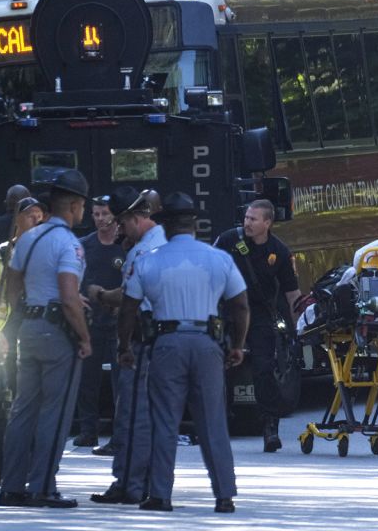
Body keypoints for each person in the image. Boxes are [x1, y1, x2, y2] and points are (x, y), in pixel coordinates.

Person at [118, 192, 249, 513]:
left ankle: (161, 495)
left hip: (166, 344)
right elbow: (241, 305)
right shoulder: (219, 258)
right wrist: (237, 345)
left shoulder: (148, 260)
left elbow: (128, 309)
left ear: (165, 225)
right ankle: (224, 495)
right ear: (194, 224)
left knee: (165, 421)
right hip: (207, 344)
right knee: (213, 420)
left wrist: (124, 346)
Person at [0, 169, 93, 509]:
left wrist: (28, 305)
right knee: (55, 411)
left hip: (29, 328)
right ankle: (42, 487)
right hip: (57, 334)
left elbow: (10, 284)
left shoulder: (28, 238)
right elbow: (69, 296)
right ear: (75, 205)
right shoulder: (69, 244)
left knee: (23, 409)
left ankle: (10, 487)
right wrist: (83, 337)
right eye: (82, 207)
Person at [90, 187, 166, 503]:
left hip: (144, 339)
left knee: (133, 416)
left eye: (121, 222)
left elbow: (129, 301)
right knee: (153, 416)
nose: (119, 229)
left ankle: (129, 484)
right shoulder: (166, 242)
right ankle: (145, 482)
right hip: (167, 339)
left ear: (135, 218)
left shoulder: (142, 251)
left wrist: (100, 296)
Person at [214, 199, 300, 453]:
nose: (247, 222)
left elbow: (292, 294)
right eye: (246, 217)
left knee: (263, 368)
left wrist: (298, 331)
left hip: (259, 315)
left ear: (267, 223)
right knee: (217, 366)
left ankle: (270, 427)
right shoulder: (229, 240)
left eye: (253, 219)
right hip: (226, 311)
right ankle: (218, 422)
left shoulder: (280, 251)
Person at [73, 194, 125, 449]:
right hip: (90, 320)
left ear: (115, 216)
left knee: (120, 381)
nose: (101, 219)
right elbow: (73, 279)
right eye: (96, 214)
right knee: (87, 379)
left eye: (105, 213)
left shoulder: (124, 246)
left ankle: (120, 432)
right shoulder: (83, 246)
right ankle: (87, 430)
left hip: (118, 322)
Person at [0, 196, 47, 395]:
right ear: (17, 219)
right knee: (9, 385)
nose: (36, 221)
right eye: (30, 216)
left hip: (39, 325)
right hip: (7, 328)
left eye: (39, 216)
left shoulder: (48, 252)